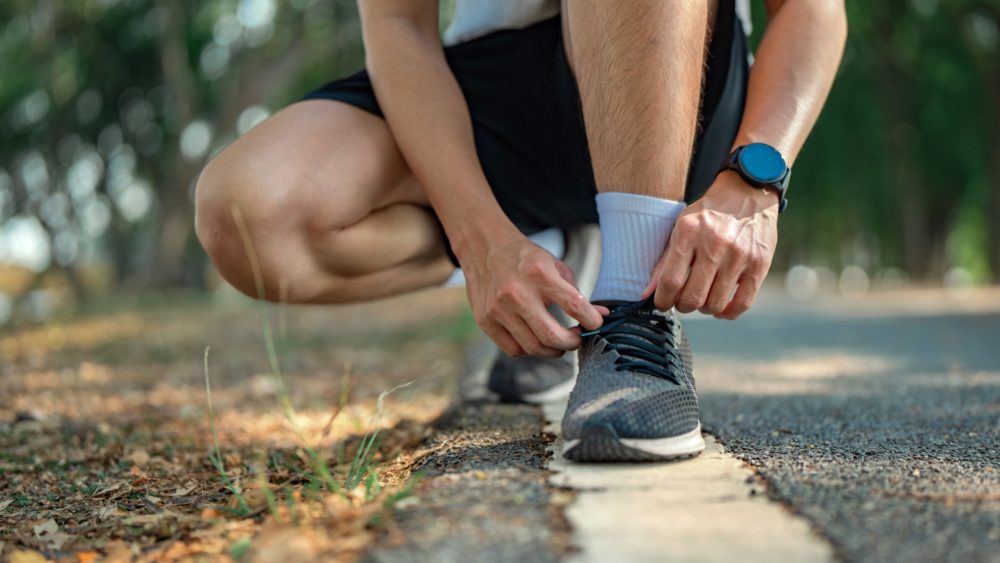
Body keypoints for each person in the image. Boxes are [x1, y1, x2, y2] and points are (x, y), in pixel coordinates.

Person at [194, 0, 846, 462]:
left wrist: (756, 179)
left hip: (678, 71)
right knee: (247, 217)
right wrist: (483, 241)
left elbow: (811, 7)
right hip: (496, 77)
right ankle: (563, 255)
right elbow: (398, 26)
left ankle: (630, 315)